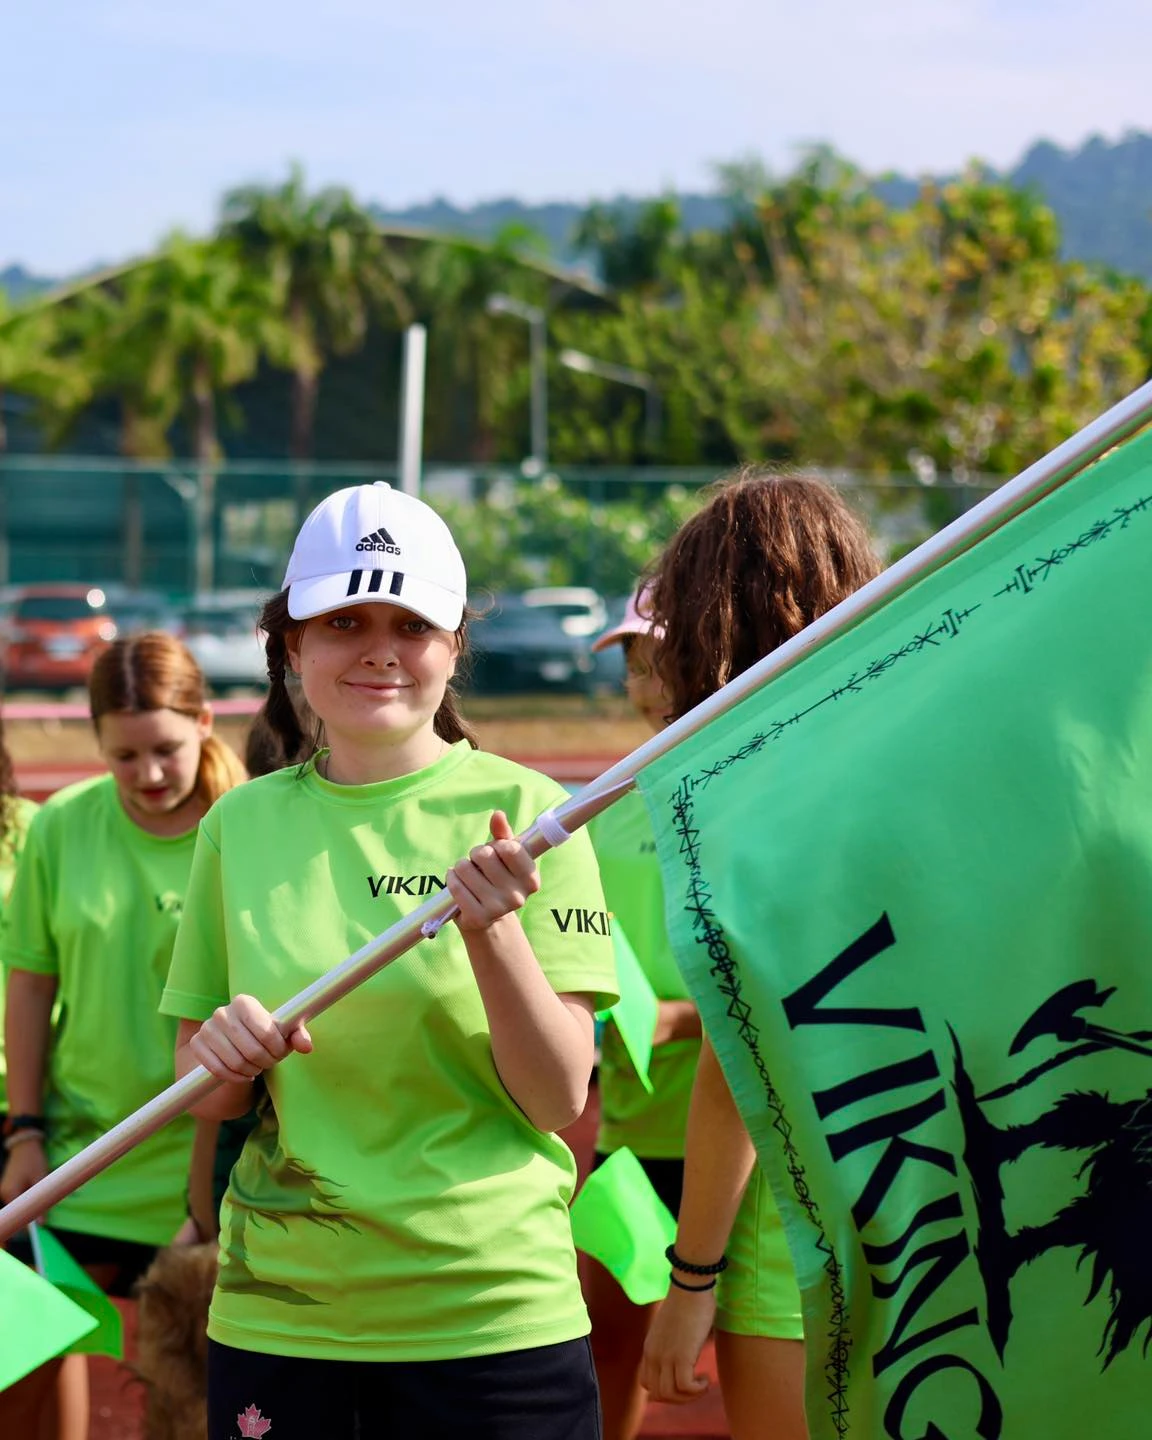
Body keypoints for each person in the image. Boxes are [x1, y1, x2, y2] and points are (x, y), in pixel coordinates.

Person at [161, 481, 619, 1440]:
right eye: (342, 620)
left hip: (491, 1320)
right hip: (284, 1322)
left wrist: (493, 936)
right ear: (292, 642)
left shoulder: (541, 817)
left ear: (455, 646)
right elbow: (201, 1094)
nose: (378, 648)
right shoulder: (240, 825)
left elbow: (557, 1098)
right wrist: (223, 1053)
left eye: (411, 623)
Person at [639, 470, 882, 1440]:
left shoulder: (745, 791)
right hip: (973, 1203)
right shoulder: (933, 755)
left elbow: (736, 1064)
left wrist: (691, 1278)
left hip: (797, 1243)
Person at [0, 632, 247, 1440]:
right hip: (80, 1161)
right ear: (97, 741)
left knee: (204, 1408)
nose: (147, 775)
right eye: (124, 755)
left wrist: (209, 1189)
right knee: (25, 1367)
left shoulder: (250, 830)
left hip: (209, 1173)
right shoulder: (62, 826)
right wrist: (25, 1132)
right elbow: (32, 985)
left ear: (207, 722)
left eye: (166, 750)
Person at [580, 585, 702, 1439]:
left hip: (748, 1148)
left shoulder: (751, 791)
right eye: (632, 662)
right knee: (609, 1351)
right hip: (633, 1134)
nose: (646, 680)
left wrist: (680, 1022)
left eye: (661, 656)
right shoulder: (601, 811)